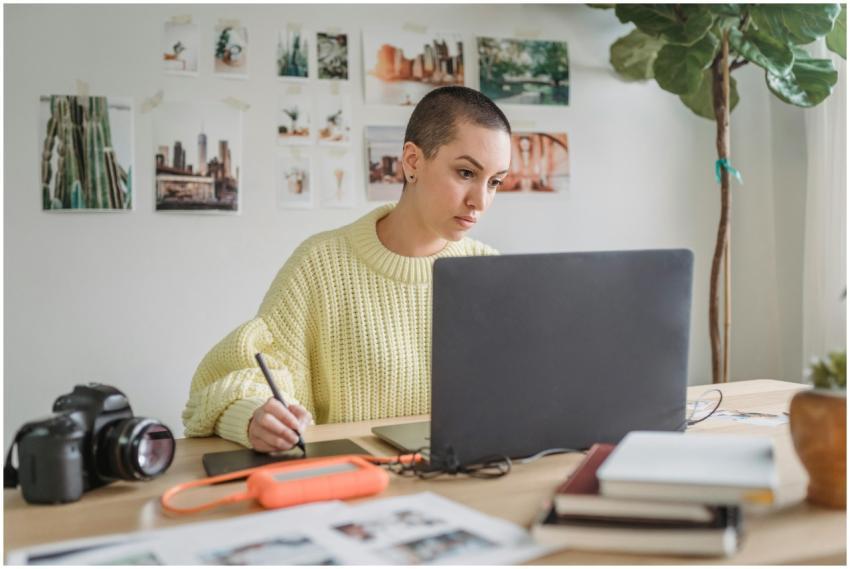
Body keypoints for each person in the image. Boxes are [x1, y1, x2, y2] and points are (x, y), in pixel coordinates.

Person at [182, 86, 512, 452]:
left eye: (495, 182)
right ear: (413, 161)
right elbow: (228, 379)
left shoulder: (489, 272)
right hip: (354, 489)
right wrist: (252, 415)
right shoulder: (321, 264)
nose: (480, 201)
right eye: (466, 172)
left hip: (466, 485)